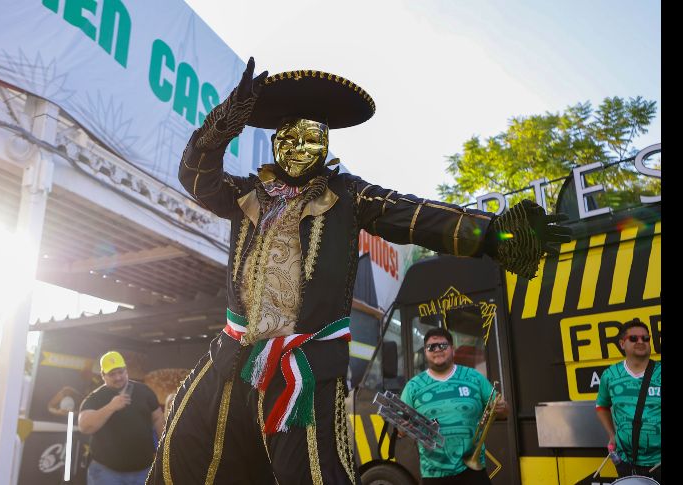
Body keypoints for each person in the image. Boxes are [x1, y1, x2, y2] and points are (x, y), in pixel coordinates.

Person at [147, 58, 570, 484]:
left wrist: (495, 233)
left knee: (313, 474)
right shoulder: (245, 194)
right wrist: (224, 122)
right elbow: (196, 176)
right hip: (230, 362)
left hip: (305, 373)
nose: (296, 147)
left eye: (309, 137)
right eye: (287, 137)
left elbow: (414, 215)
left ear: (326, 144)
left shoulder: (347, 196)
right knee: (184, 462)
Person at [400, 328, 507, 484]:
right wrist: (403, 427)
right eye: (431, 347)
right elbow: (401, 431)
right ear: (425, 352)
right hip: (433, 475)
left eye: (442, 345)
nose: (437, 350)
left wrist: (503, 408)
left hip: (473, 471)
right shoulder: (413, 386)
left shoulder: (474, 377)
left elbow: (503, 412)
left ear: (453, 349)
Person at [79, 351, 164, 485]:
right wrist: (111, 407)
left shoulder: (145, 391)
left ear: (126, 370)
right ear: (103, 375)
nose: (118, 377)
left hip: (144, 471)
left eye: (121, 372)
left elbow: (158, 419)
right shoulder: (95, 397)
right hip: (107, 473)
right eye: (112, 374)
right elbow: (84, 426)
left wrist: (165, 448)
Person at [596, 319, 661, 482]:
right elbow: (602, 406)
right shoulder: (610, 375)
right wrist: (612, 435)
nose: (641, 342)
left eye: (645, 338)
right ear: (622, 343)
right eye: (634, 338)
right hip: (625, 462)